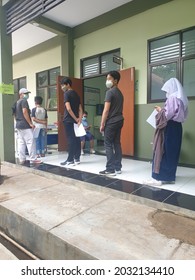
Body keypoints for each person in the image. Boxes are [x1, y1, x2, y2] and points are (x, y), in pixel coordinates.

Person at [144, 78, 188, 186]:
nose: (166, 93)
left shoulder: (172, 98)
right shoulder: (181, 99)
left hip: (169, 127)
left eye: (166, 90)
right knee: (173, 152)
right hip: (177, 127)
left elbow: (167, 115)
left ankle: (159, 178)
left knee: (163, 150)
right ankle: (169, 177)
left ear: (170, 88)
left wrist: (160, 110)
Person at [99, 70, 124, 176]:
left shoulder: (109, 92)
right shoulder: (120, 93)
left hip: (112, 121)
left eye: (109, 79)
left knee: (108, 144)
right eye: (107, 79)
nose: (107, 81)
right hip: (119, 120)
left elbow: (106, 110)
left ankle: (110, 169)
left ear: (116, 80)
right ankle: (117, 167)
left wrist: (102, 124)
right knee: (117, 143)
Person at [14, 88, 42, 165]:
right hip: (25, 125)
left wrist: (18, 121)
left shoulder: (16, 102)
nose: (27, 95)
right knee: (31, 141)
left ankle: (22, 159)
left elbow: (14, 114)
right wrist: (30, 123)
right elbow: (25, 111)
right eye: (25, 93)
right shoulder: (24, 101)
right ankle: (33, 159)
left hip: (19, 125)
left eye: (27, 93)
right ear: (21, 94)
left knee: (21, 142)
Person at [60, 77, 83, 166]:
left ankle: (70, 160)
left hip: (69, 120)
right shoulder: (76, 94)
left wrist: (75, 119)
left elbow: (68, 109)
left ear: (68, 85)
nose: (62, 87)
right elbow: (80, 109)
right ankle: (77, 158)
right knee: (77, 138)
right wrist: (79, 119)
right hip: (76, 121)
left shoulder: (66, 94)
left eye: (63, 85)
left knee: (70, 139)